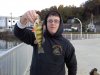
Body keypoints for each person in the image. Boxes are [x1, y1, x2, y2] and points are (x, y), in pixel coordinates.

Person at [14, 10, 77, 75]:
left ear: (60, 24)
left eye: (56, 21)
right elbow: (18, 32)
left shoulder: (67, 44)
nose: (53, 23)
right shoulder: (37, 36)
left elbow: (72, 65)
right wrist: (24, 17)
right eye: (50, 21)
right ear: (46, 23)